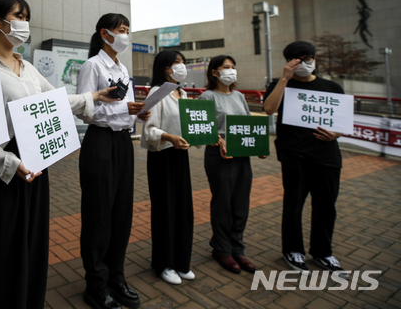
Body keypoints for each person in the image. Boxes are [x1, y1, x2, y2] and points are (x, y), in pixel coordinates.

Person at [0, 0, 119, 309]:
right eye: (18, 16)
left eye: (27, 16)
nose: (24, 23)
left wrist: (94, 96)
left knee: (33, 249)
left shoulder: (26, 67)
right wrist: (10, 162)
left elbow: (55, 102)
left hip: (36, 170)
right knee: (2, 257)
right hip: (1, 177)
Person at [76, 14, 149, 309]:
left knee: (121, 212)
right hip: (100, 142)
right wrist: (124, 109)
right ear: (105, 34)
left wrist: (136, 112)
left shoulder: (123, 67)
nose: (126, 36)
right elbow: (85, 110)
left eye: (128, 31)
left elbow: (124, 109)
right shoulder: (92, 65)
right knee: (99, 215)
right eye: (121, 30)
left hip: (122, 144)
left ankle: (115, 276)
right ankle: (95, 284)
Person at [263, 41, 347, 276]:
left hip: (327, 155)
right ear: (289, 62)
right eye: (298, 60)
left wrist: (336, 133)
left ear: (315, 60)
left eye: (308, 58)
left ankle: (322, 251)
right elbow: (269, 109)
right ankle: (292, 250)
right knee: (294, 204)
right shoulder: (281, 85)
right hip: (294, 154)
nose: (305, 63)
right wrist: (284, 79)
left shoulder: (332, 87)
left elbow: (341, 120)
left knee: (326, 205)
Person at [199, 55, 267, 274]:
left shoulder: (239, 96)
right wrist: (219, 141)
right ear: (214, 72)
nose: (231, 71)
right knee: (223, 204)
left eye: (233, 67)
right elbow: (203, 128)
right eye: (226, 67)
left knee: (240, 204)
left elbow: (247, 124)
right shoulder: (207, 96)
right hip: (219, 157)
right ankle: (222, 249)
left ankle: (238, 249)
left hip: (241, 156)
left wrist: (259, 147)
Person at [140, 50, 194, 286]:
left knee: (183, 208)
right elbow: (149, 131)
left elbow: (194, 125)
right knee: (165, 209)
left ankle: (182, 262)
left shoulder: (183, 93)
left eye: (183, 62)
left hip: (182, 156)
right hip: (162, 157)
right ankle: (164, 264)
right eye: (176, 63)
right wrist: (169, 137)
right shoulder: (157, 93)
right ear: (164, 68)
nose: (181, 66)